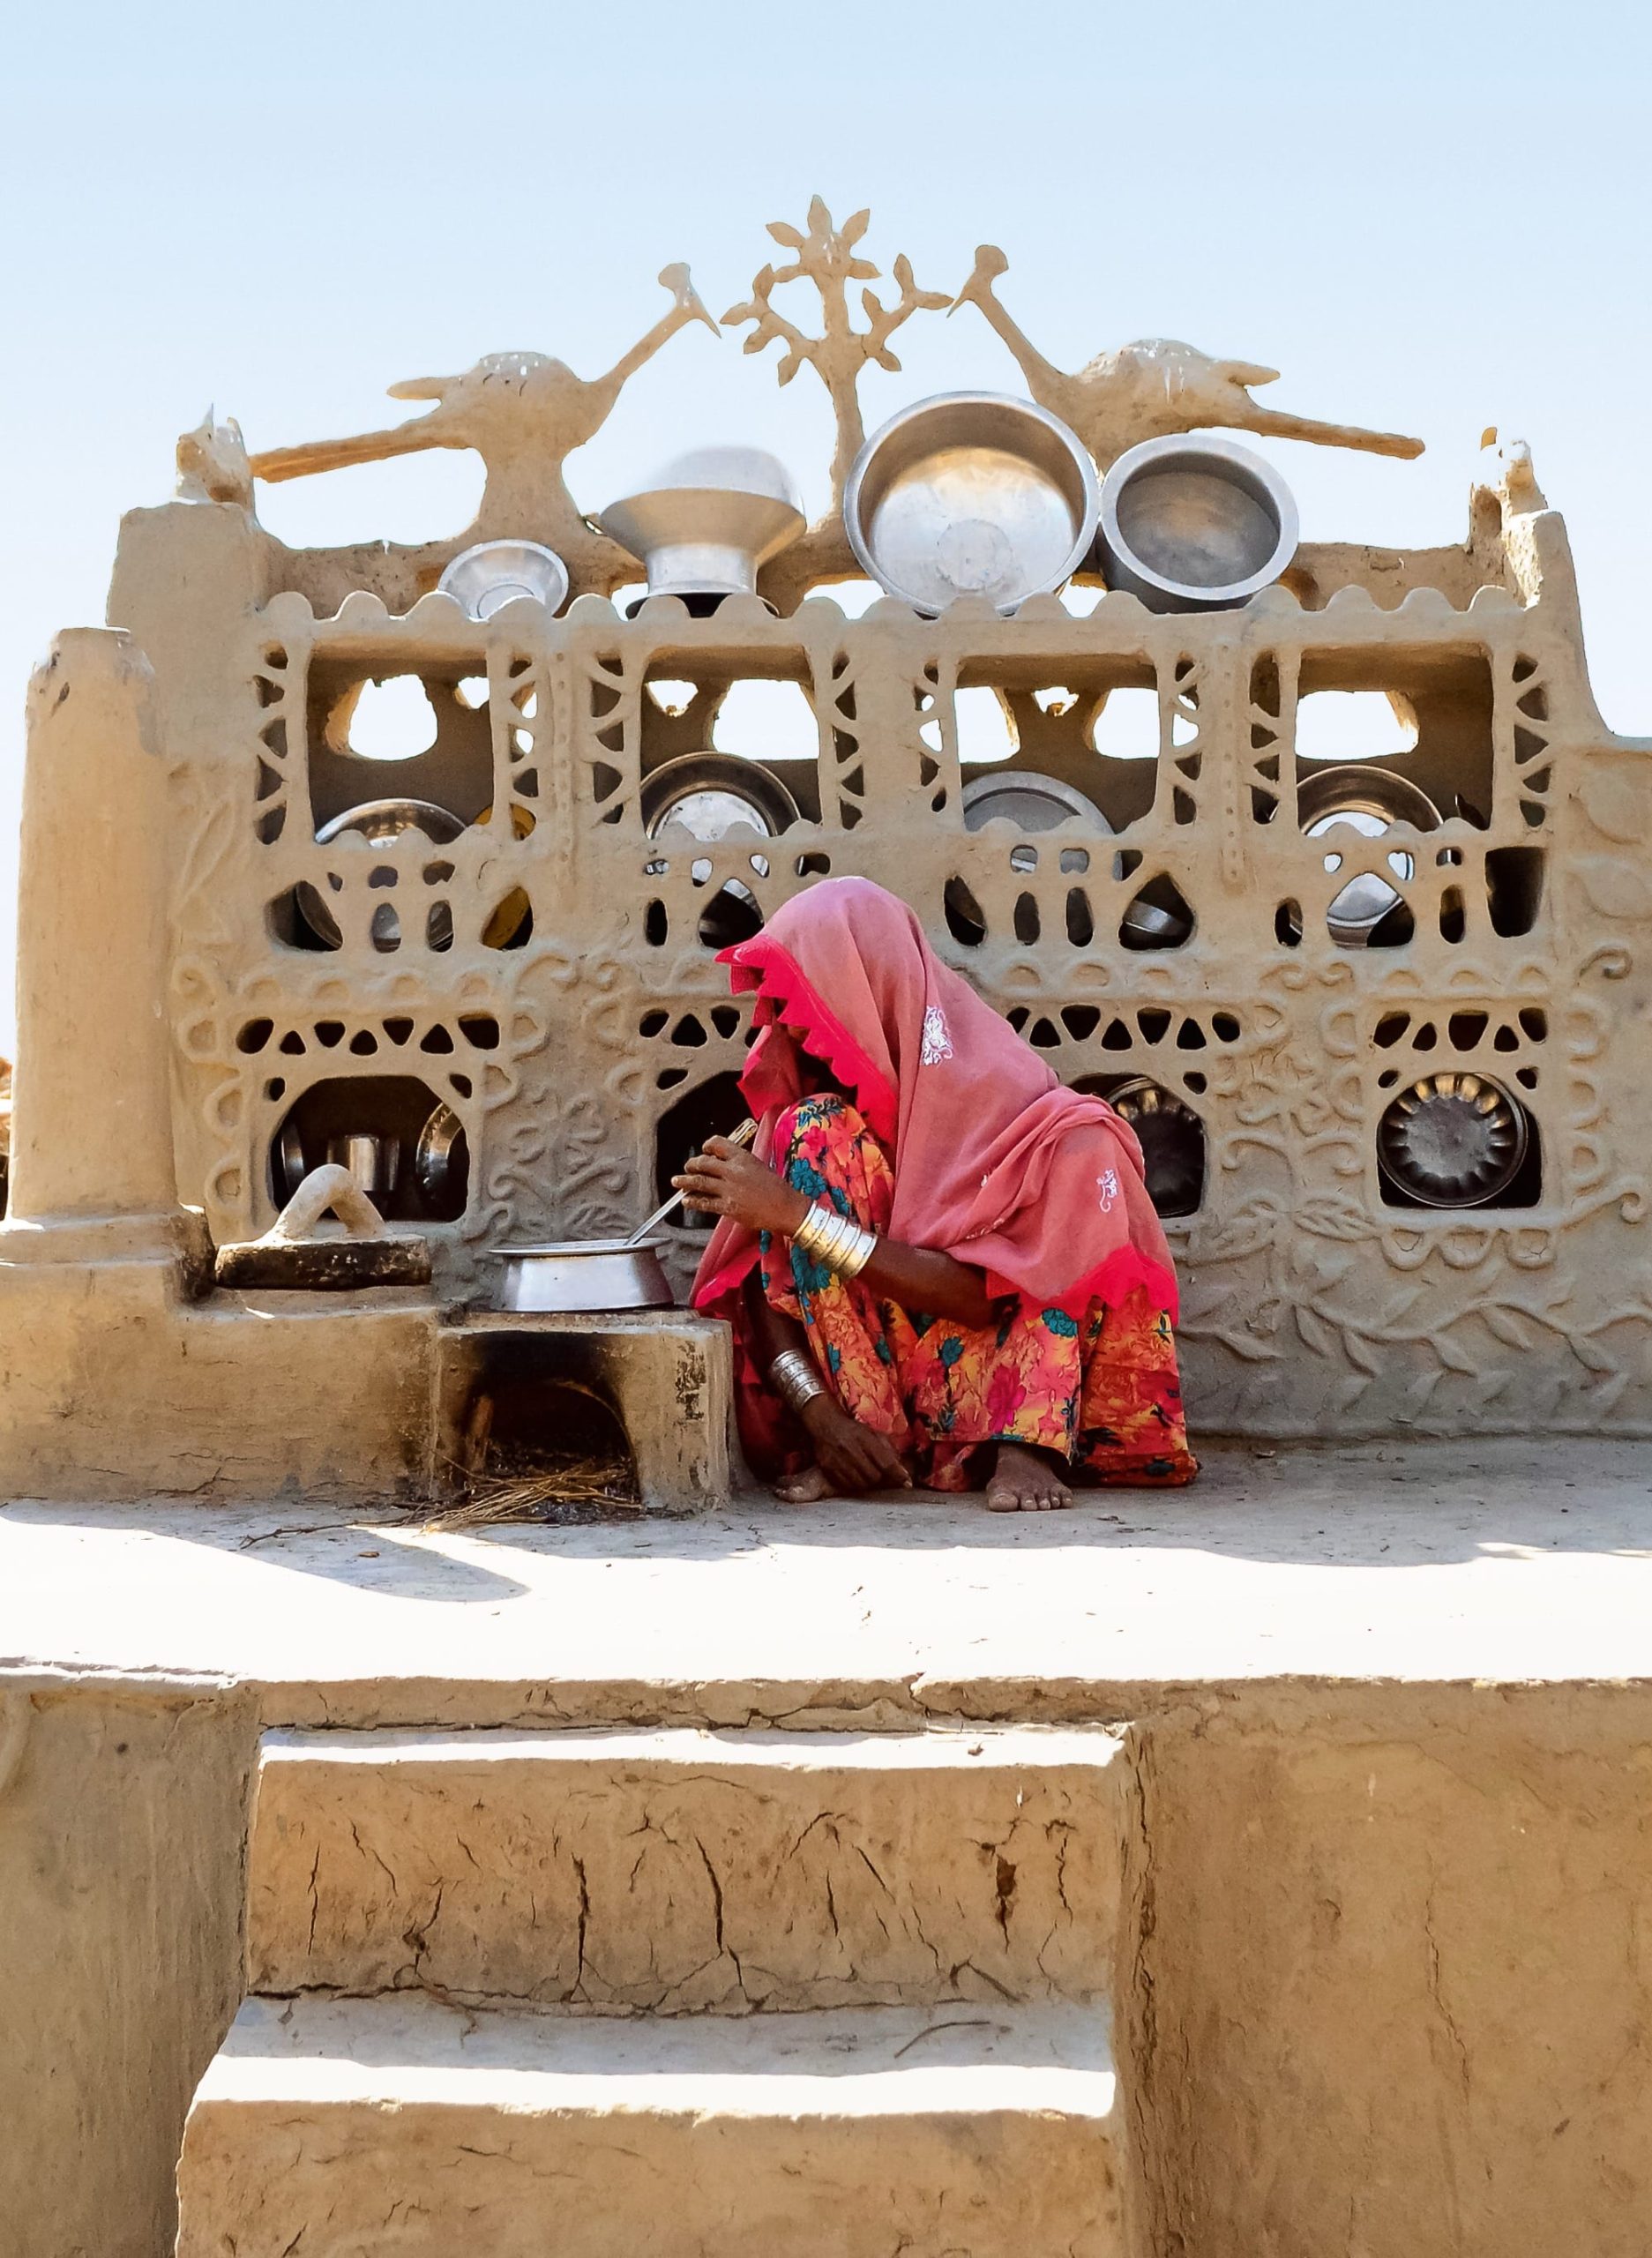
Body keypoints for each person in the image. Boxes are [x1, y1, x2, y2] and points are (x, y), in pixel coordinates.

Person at [677, 878, 1195, 1510]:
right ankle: (871, 1446)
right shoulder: (818, 1123)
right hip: (891, 1392)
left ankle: (1024, 1447)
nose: (790, 1029)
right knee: (811, 1127)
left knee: (1081, 1157)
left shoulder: (1015, 1108)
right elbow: (764, 1273)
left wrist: (794, 1215)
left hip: (1018, 1383)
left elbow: (976, 1302)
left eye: (805, 1005)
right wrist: (822, 1421)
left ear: (871, 992)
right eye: (781, 1008)